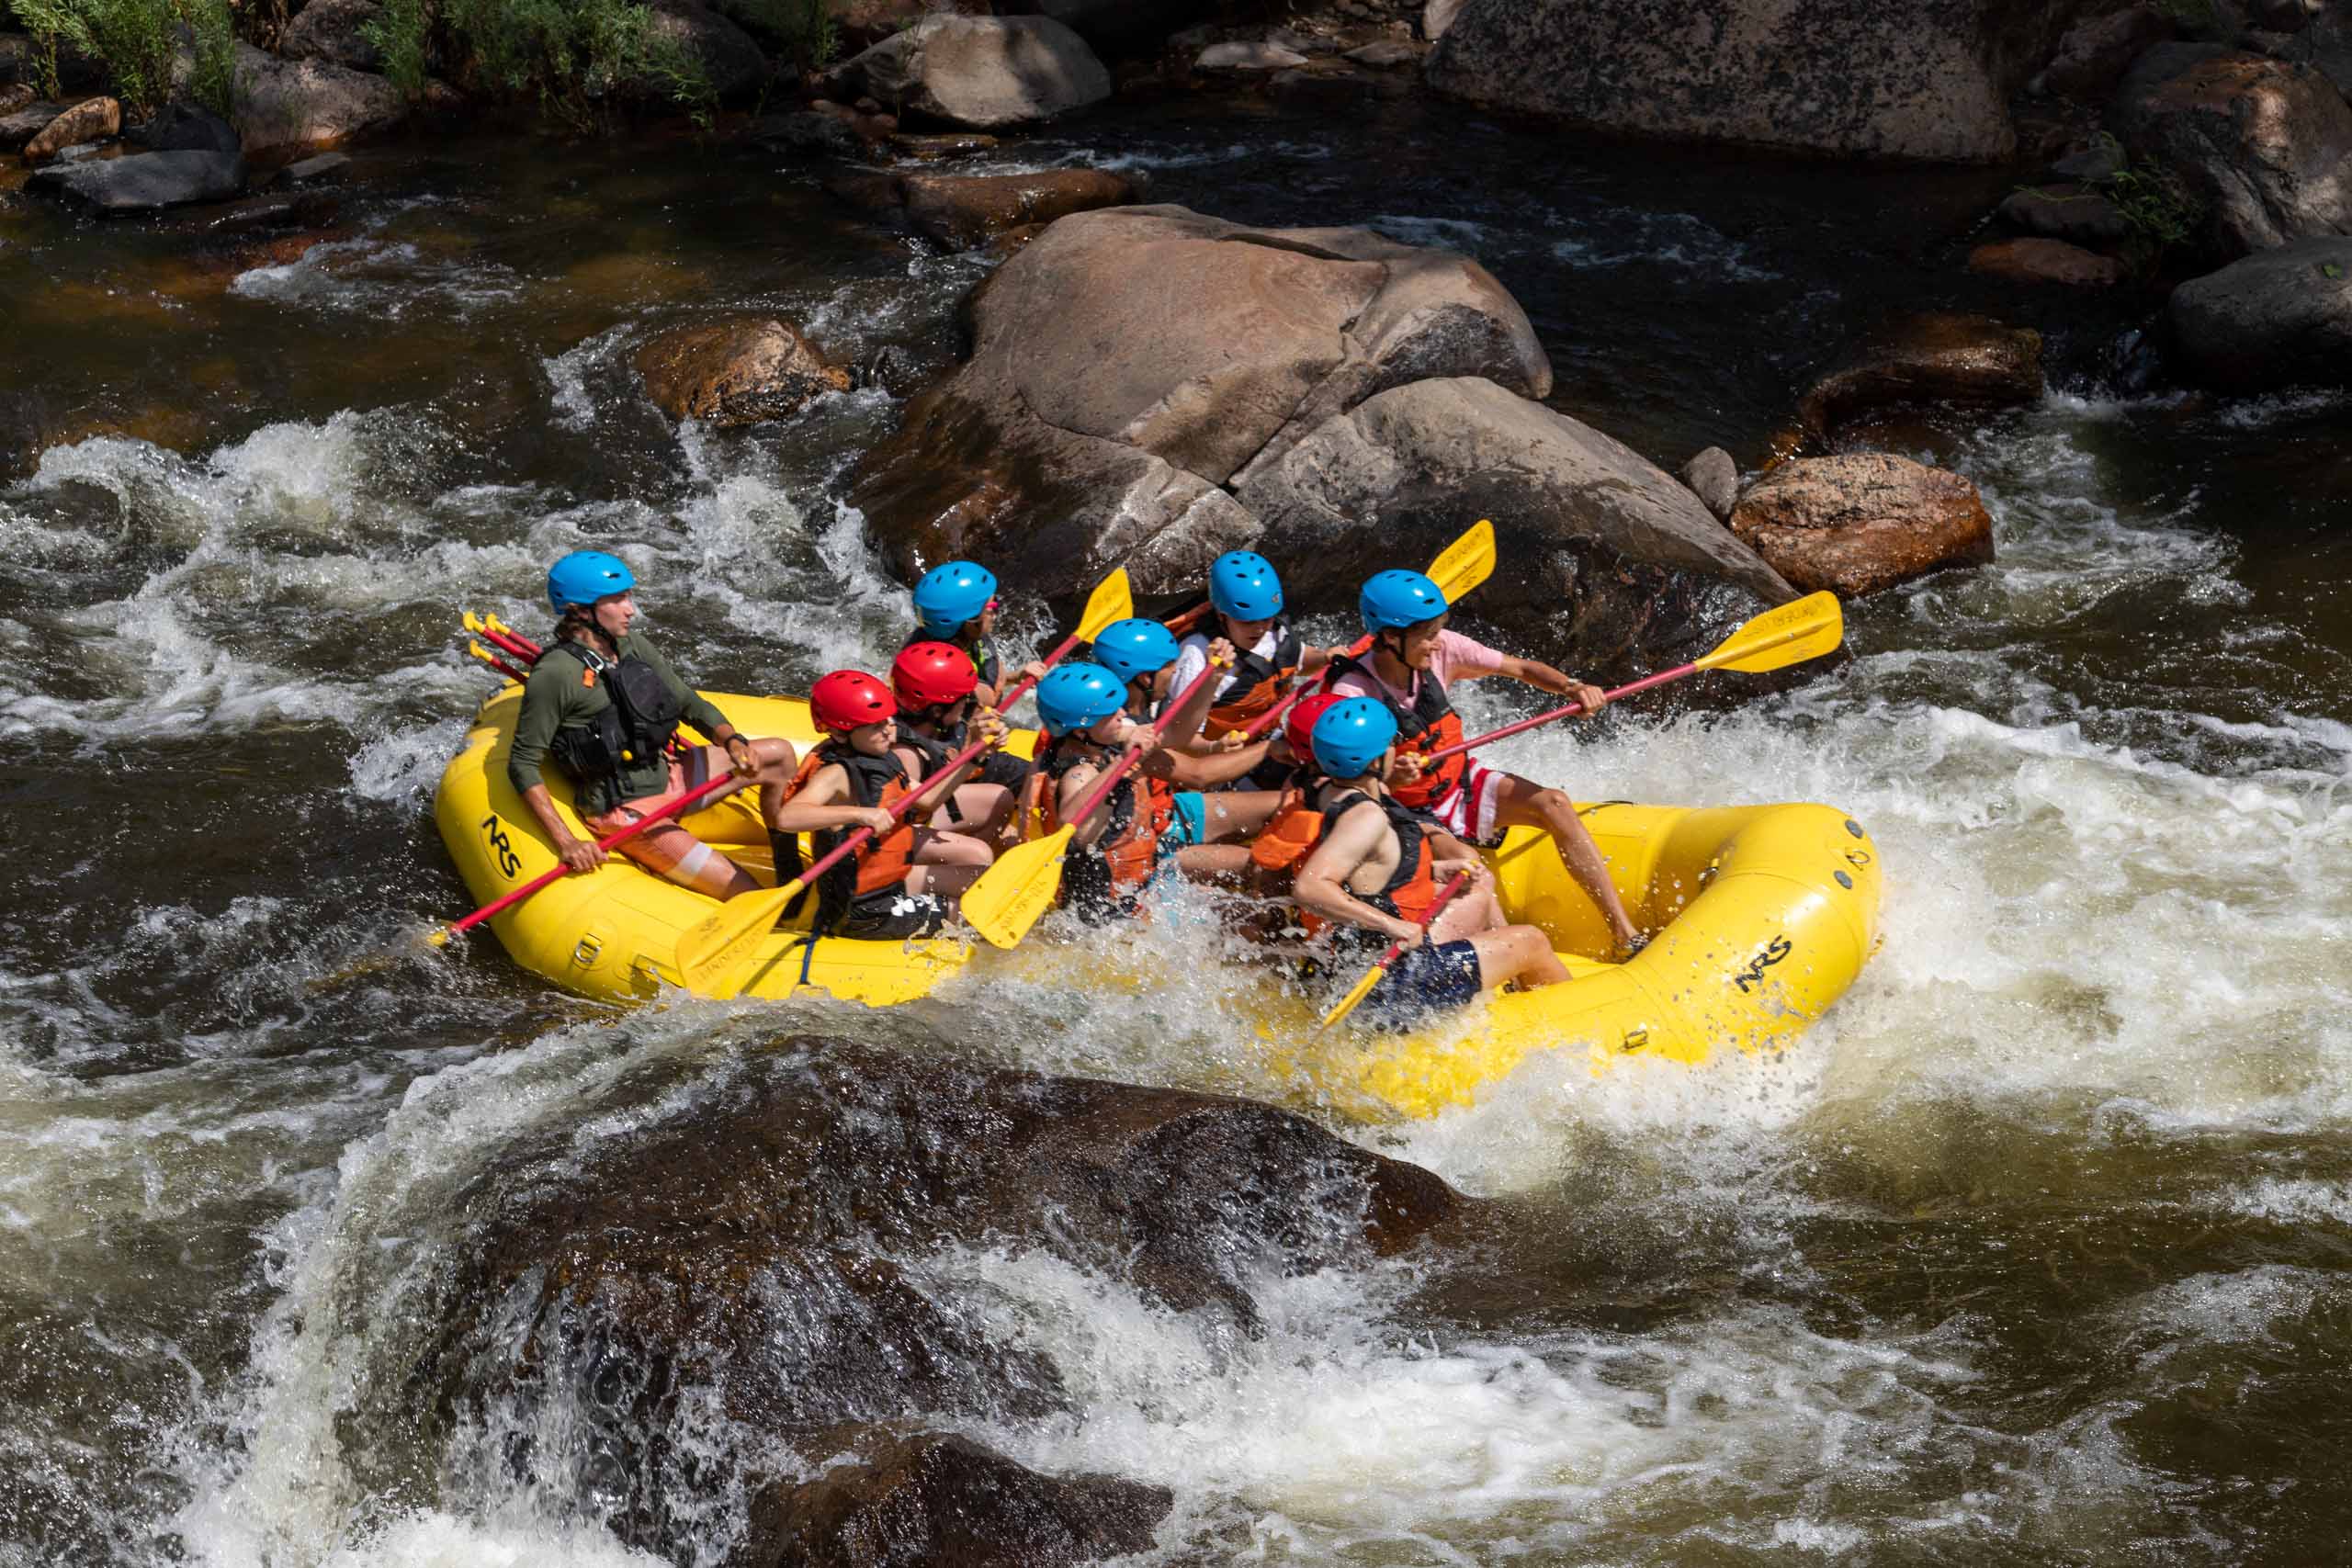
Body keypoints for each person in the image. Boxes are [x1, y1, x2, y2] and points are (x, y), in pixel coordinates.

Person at [1326, 570, 1646, 958]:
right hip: (1407, 811)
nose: (1434, 643)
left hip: (1459, 783)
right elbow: (1345, 777)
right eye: (1426, 634)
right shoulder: (1353, 693)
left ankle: (1623, 933)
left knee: (1554, 802)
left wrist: (1572, 687)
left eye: (1436, 631)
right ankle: (1515, 960)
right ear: (1391, 637)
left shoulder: (1442, 648)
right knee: (1469, 862)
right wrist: (1391, 774)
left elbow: (1521, 668)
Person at [507, 550, 798, 900]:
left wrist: (733, 741)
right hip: (625, 811)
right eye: (618, 600)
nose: (631, 609)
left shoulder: (630, 645)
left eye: (628, 597)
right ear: (580, 611)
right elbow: (523, 764)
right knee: (745, 890)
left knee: (779, 754)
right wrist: (567, 841)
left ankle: (790, 867)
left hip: (667, 775)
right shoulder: (555, 673)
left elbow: (687, 701)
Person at [1292, 697, 1567, 1025]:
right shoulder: (1365, 817)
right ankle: (1571, 1025)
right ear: (1377, 759)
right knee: (1530, 941)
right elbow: (1310, 887)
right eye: (1392, 743)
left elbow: (1367, 871)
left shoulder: (1327, 792)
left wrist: (1434, 868)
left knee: (1478, 892)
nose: (1397, 749)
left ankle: (1503, 992)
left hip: (1358, 962)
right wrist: (1391, 925)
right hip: (1398, 984)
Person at [766, 669, 1005, 940]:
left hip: (889, 879)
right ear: (840, 733)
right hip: (865, 909)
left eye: (889, 720)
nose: (889, 730)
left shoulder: (881, 757)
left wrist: (975, 755)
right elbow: (787, 817)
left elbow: (927, 798)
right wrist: (861, 814)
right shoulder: (837, 773)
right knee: (974, 912)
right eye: (876, 726)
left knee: (981, 877)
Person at [1087, 618, 1285, 880]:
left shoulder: (1127, 708)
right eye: (1171, 668)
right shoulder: (1117, 732)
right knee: (1263, 866)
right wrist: (1267, 749)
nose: (1174, 674)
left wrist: (1213, 742)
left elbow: (1175, 736)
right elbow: (1199, 774)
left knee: (1284, 804)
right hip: (1152, 841)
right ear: (1146, 677)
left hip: (1168, 810)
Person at [1168, 551, 1347, 782]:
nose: (1259, 628)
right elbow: (1177, 736)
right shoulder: (1195, 657)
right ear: (1222, 616)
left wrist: (1324, 658)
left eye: (1266, 619)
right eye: (1247, 621)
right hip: (1214, 760)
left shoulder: (1275, 633)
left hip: (1266, 738)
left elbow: (1299, 660)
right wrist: (1214, 747)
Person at [888, 640, 1026, 847]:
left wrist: (974, 738)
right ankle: (970, 867)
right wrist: (976, 755)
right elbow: (920, 806)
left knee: (1001, 799)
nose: (969, 701)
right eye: (964, 698)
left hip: (931, 807)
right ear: (936, 711)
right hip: (903, 830)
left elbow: (946, 761)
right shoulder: (905, 754)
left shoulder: (932, 726)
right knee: (978, 853)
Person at [907, 558, 1046, 712]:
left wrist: (1017, 676)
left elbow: (984, 679)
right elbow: (985, 698)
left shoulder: (958, 639)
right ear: (970, 621)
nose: (995, 613)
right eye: (992, 607)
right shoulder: (945, 678)